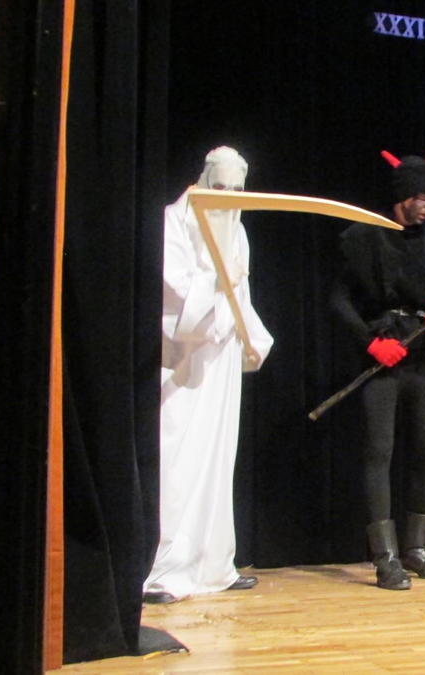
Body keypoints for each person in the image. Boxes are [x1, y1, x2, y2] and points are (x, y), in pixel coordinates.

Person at [145, 146, 274, 604]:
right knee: (180, 458)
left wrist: (252, 336)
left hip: (222, 357)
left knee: (219, 457)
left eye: (237, 190)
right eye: (219, 187)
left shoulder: (236, 229)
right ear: (202, 180)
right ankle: (167, 570)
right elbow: (173, 293)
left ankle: (215, 564)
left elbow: (242, 294)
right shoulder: (174, 222)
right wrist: (218, 281)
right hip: (184, 359)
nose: (227, 198)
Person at [330, 150, 425, 590]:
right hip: (383, 353)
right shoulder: (366, 236)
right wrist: (370, 343)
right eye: (423, 197)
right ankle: (384, 556)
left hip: (423, 354)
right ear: (404, 196)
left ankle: (416, 547)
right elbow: (339, 300)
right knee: (379, 452)